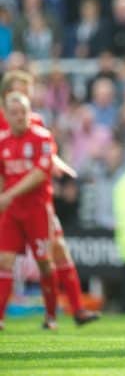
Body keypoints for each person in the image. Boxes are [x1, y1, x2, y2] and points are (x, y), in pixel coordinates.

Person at [0, 70, 100, 326]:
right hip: (11, 203)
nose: (24, 95)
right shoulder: (5, 129)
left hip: (35, 201)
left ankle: (68, 310)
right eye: (19, 90)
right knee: (8, 259)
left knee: (55, 253)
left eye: (27, 90)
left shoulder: (35, 123)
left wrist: (58, 166)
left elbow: (43, 156)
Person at [0, 92, 59, 330]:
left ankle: (51, 315)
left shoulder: (42, 138)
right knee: (4, 261)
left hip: (37, 209)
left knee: (45, 262)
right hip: (13, 212)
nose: (19, 117)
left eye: (23, 112)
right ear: (5, 115)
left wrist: (8, 195)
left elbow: (39, 174)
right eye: (14, 113)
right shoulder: (2, 141)